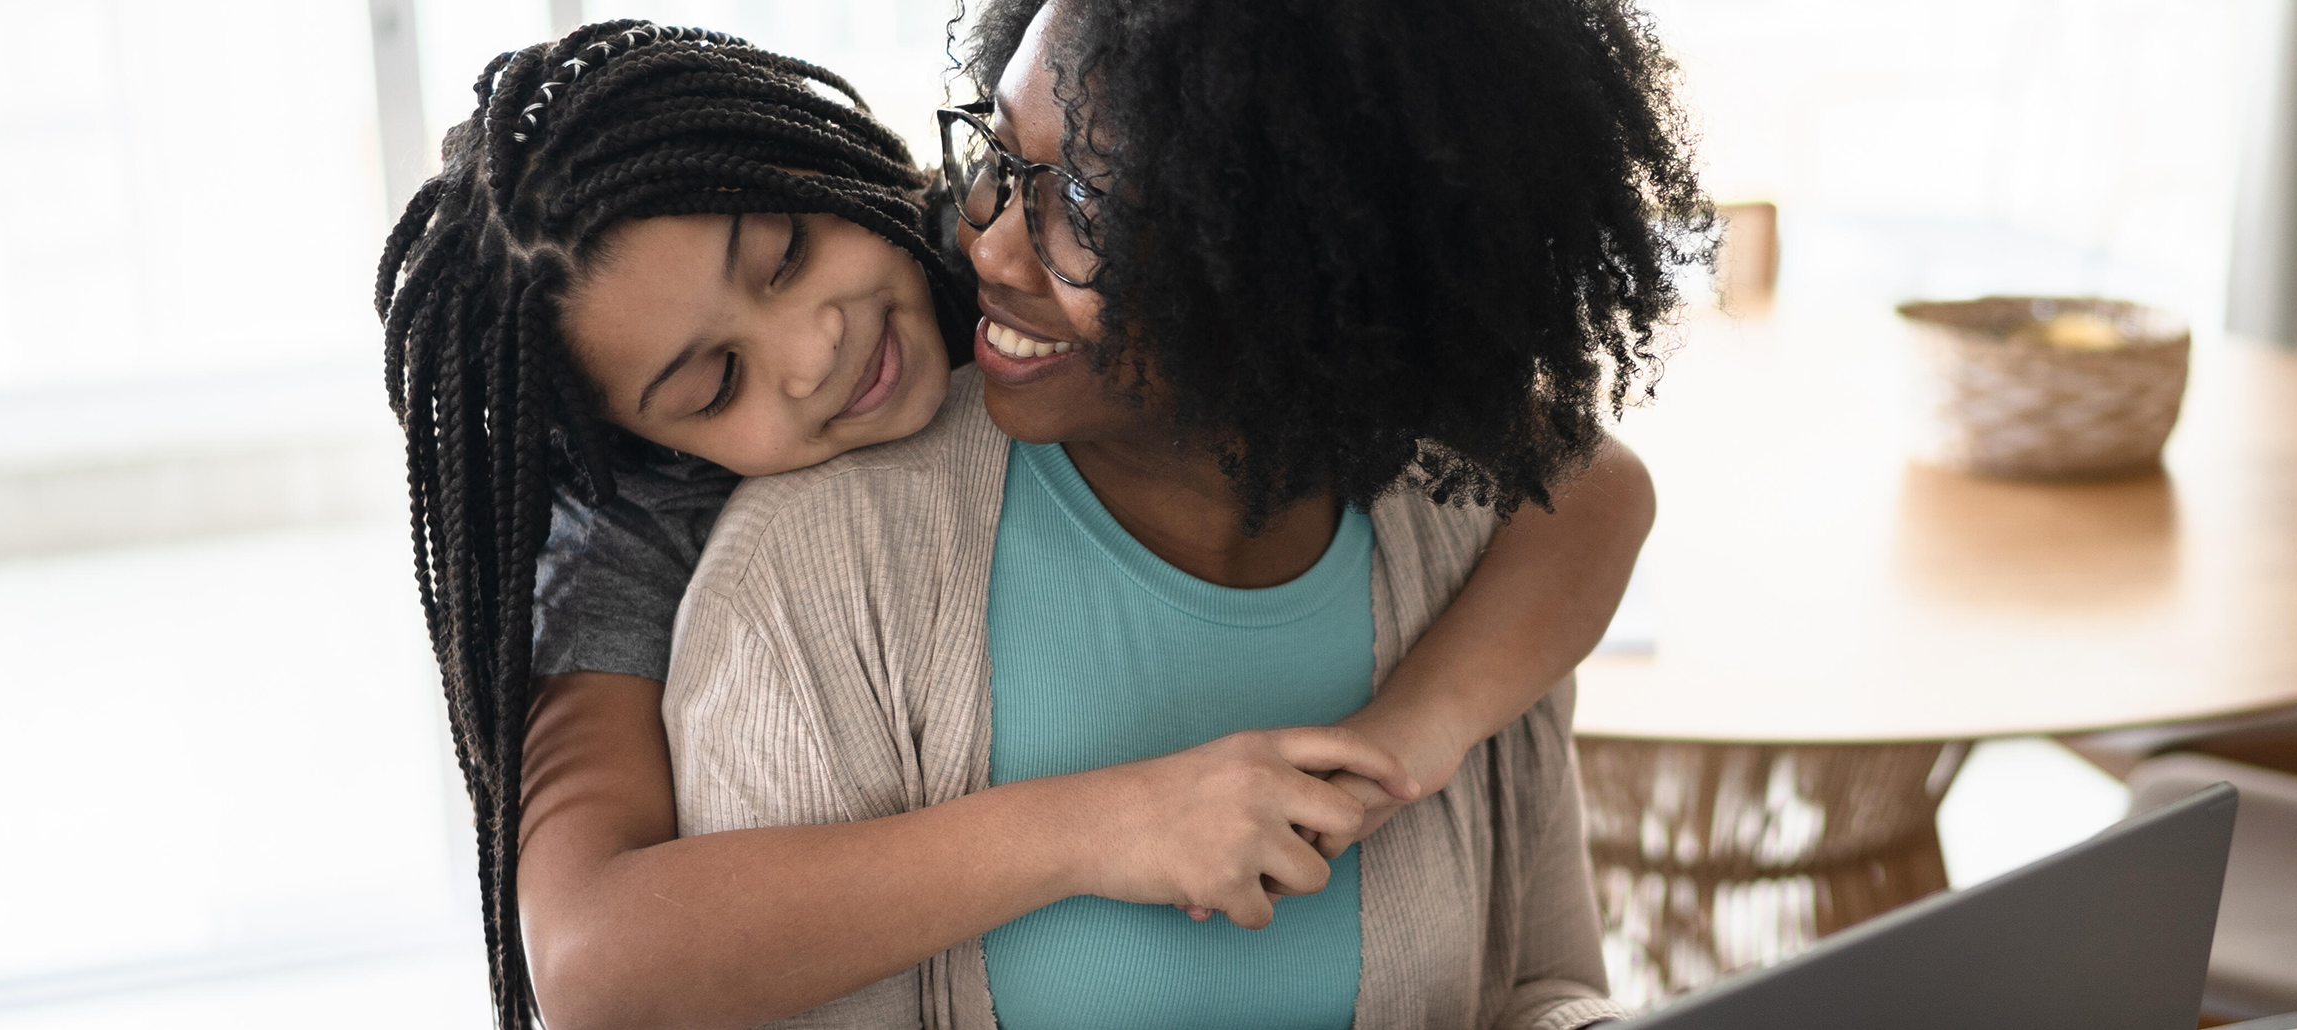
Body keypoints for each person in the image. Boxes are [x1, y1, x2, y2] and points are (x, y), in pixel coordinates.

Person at [372, 11, 1695, 1029]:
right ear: (642, 445)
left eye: (781, 257)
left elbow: (1590, 487)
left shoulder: (992, 235)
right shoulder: (690, 548)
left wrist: (1407, 734)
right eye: (713, 383)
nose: (814, 345)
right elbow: (600, 955)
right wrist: (1102, 825)